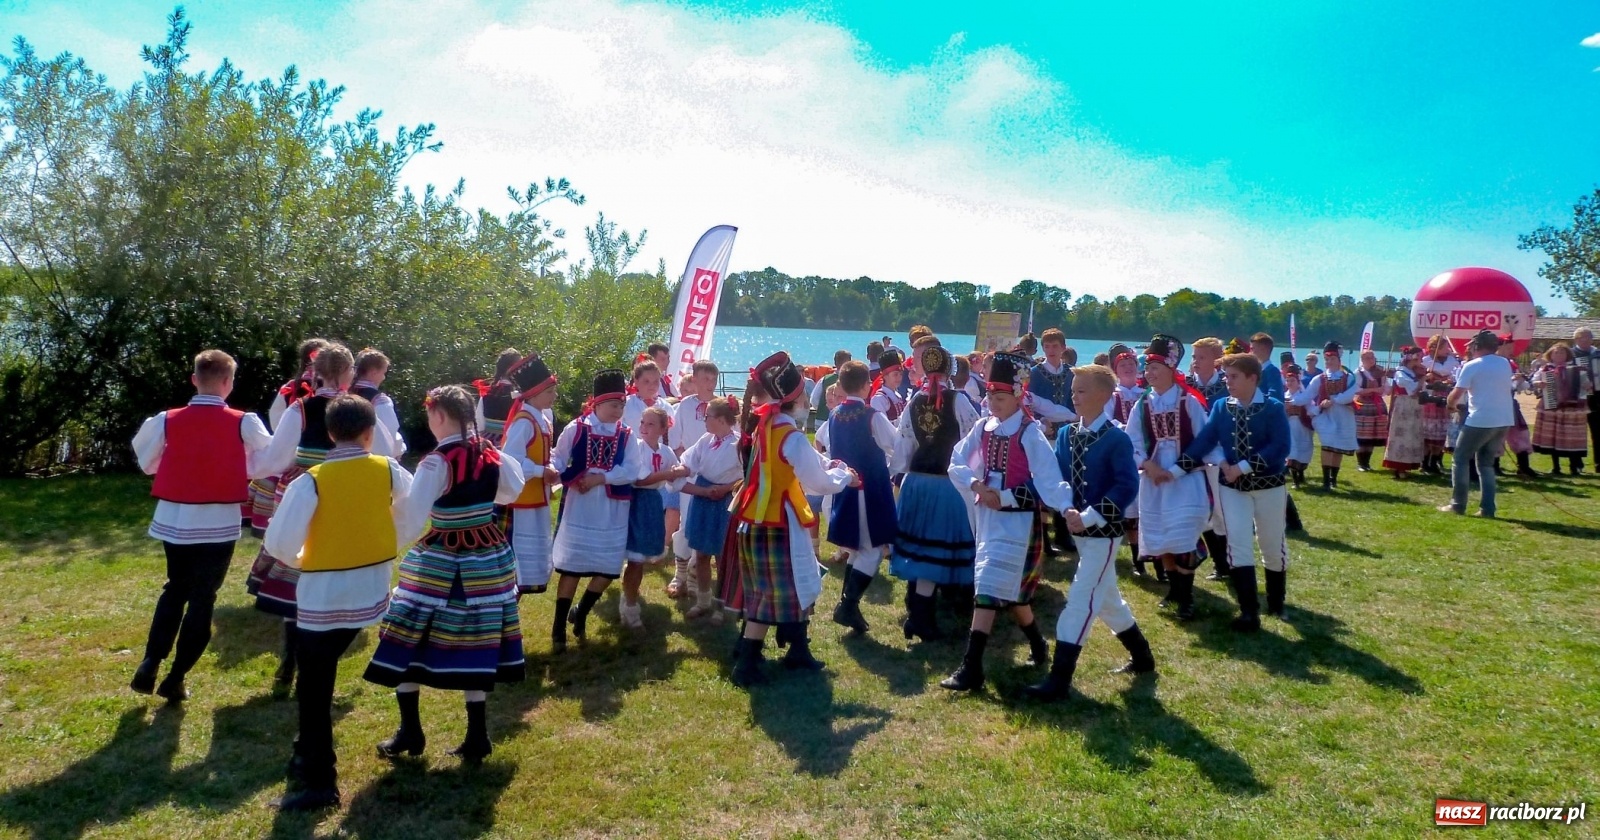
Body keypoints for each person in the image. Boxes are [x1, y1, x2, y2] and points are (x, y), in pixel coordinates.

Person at [364, 385, 526, 764]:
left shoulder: (437, 461)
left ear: (438, 416)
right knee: (480, 636)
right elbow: (510, 492)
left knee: (407, 629)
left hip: (443, 557)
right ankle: (476, 735)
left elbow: (413, 513)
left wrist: (381, 549)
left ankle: (411, 730)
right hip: (488, 553)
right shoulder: (493, 455)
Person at [265, 394, 412, 811]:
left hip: (323, 594)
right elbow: (417, 511)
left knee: (313, 688)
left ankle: (320, 782)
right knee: (318, 678)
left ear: (329, 434)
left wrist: (298, 559)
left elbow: (278, 542)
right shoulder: (388, 470)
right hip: (372, 588)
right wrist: (388, 545)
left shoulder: (312, 480)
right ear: (370, 434)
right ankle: (306, 756)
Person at [249, 342, 398, 694]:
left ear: (316, 373)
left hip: (302, 486)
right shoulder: (359, 408)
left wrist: (246, 468)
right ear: (349, 374)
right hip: (345, 490)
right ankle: (321, 644)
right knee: (338, 560)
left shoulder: (300, 407)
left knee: (297, 571)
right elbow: (387, 450)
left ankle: (290, 659)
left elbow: (276, 456)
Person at [130, 350, 272, 702]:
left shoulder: (166, 419)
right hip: (217, 520)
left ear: (194, 379)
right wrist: (235, 467)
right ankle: (176, 677)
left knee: (175, 588)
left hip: (174, 517)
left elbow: (147, 463)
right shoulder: (244, 421)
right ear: (228, 383)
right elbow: (266, 459)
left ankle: (150, 661)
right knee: (203, 597)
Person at [940, 352, 1078, 693]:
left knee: (988, 589)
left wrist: (1066, 508)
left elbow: (1047, 479)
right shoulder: (982, 427)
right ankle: (1037, 643)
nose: (993, 403)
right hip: (988, 519)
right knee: (1010, 594)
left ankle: (971, 668)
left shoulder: (1029, 433)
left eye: (1000, 398)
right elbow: (957, 459)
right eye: (990, 396)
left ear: (1018, 396)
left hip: (1017, 522)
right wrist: (975, 485)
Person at [729, 352, 858, 687]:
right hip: (777, 522)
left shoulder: (767, 426)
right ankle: (746, 663)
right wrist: (844, 478)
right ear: (798, 399)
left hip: (757, 517)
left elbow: (813, 462)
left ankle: (796, 649)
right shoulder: (790, 435)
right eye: (803, 398)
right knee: (775, 591)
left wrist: (835, 467)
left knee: (791, 583)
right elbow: (817, 481)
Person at [1022, 365, 1148, 700]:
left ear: (1104, 396)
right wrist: (1063, 508)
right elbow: (1058, 477)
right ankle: (1143, 656)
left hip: (1104, 533)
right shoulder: (1067, 435)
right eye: (1073, 391)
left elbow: (1126, 485)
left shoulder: (1116, 438)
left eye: (1081, 391)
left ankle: (1059, 679)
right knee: (1108, 601)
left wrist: (1090, 515)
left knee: (1080, 600)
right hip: (1078, 530)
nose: (1073, 397)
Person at [1174, 353, 1292, 631]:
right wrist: (1176, 470)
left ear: (1253, 378)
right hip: (1233, 489)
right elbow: (1205, 440)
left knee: (1271, 545)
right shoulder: (1221, 407)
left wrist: (1243, 466)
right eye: (1226, 376)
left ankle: (1276, 603)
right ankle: (1248, 611)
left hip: (1269, 487)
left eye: (1234, 376)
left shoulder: (1273, 408)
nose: (1228, 382)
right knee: (1238, 544)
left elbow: (1280, 447)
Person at [548, 369, 648, 651]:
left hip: (611, 507)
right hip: (581, 506)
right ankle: (558, 628)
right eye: (614, 405)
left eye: (622, 405)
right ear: (597, 404)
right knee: (572, 568)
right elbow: (558, 456)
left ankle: (581, 611)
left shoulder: (627, 436)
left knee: (607, 569)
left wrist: (601, 477)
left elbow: (632, 469)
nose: (619, 411)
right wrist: (555, 472)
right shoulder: (577, 428)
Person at [889, 342, 979, 642]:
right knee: (935, 549)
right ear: (949, 368)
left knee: (921, 548)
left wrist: (900, 475)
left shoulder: (915, 401)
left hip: (917, 482)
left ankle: (918, 608)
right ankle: (921, 617)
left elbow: (904, 445)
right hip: (945, 484)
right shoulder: (958, 400)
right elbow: (973, 439)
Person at [1125, 336, 1212, 621]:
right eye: (1147, 369)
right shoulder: (1142, 404)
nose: (1149, 374)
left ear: (1171, 370)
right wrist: (1147, 465)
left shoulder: (1189, 402)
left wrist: (1174, 470)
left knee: (1183, 533)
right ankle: (1175, 591)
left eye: (1156, 368)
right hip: (1153, 479)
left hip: (1185, 480)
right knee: (1162, 533)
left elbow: (1203, 440)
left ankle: (1186, 598)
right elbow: (1132, 441)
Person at [828, 360, 901, 635]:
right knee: (871, 549)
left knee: (857, 548)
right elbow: (895, 445)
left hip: (846, 487)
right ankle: (848, 604)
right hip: (868, 488)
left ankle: (848, 605)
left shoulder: (834, 414)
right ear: (865, 385)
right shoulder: (871, 415)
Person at [619, 406, 687, 629]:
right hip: (636, 502)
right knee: (635, 559)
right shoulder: (636, 448)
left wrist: (680, 471)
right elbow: (640, 480)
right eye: (642, 423)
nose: (644, 428)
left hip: (652, 503)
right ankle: (629, 607)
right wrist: (670, 473)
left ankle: (630, 599)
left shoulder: (665, 451)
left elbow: (674, 481)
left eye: (650, 424)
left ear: (662, 428)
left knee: (642, 558)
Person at [498, 353, 561, 594]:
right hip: (521, 502)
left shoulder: (541, 418)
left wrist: (551, 466)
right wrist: (539, 471)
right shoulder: (524, 422)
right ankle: (507, 607)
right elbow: (510, 460)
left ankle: (513, 604)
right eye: (549, 392)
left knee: (531, 557)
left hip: (536, 498)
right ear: (533, 394)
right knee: (518, 560)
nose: (554, 396)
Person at [251, 338, 327, 536]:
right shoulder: (329, 388)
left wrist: (287, 441)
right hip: (314, 453)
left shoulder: (294, 387)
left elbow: (277, 418)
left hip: (293, 451)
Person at [1439, 330, 1514, 517]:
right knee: (1486, 464)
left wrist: (1450, 405)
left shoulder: (1472, 366)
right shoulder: (1504, 363)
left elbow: (1456, 394)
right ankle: (1487, 508)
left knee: (1460, 459)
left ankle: (1457, 504)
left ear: (1477, 346)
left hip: (1481, 419)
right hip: (1503, 419)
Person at [680, 397, 742, 624]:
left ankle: (720, 604)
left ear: (721, 419)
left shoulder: (738, 445)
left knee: (721, 555)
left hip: (725, 500)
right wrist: (678, 470)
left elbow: (746, 476)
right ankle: (703, 601)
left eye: (708, 416)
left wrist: (725, 488)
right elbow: (689, 461)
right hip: (704, 495)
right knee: (702, 553)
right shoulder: (706, 440)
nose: (705, 420)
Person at [667, 359, 720, 599]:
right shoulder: (684, 407)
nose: (709, 384)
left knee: (709, 523)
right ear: (694, 380)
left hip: (717, 475)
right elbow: (675, 440)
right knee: (687, 522)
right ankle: (679, 576)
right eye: (705, 379)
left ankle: (695, 573)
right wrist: (685, 464)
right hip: (691, 474)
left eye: (713, 380)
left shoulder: (722, 406)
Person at [1531, 342, 1594, 475]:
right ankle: (1556, 467)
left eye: (1562, 352)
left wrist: (1588, 386)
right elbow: (1534, 381)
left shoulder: (1577, 369)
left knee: (1571, 436)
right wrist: (1538, 383)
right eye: (1556, 352)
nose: (1559, 355)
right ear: (1551, 355)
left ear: (1567, 355)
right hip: (1552, 404)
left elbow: (1586, 383)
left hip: (1572, 407)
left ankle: (1574, 467)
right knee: (1554, 435)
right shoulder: (1545, 369)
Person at [1307, 342, 1359, 490]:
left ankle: (1333, 478)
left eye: (1332, 359)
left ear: (1338, 360)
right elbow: (1308, 396)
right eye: (1327, 360)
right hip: (1327, 416)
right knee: (1327, 445)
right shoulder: (1320, 378)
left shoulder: (1349, 377)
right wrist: (1315, 408)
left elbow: (1350, 395)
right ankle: (1325, 480)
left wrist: (1334, 400)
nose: (1329, 362)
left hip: (1343, 415)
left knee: (1338, 447)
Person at [351, 347, 406, 456]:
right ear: (373, 372)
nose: (384, 377)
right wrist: (399, 450)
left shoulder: (344, 395)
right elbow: (390, 433)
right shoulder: (380, 401)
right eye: (383, 373)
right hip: (371, 458)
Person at [1497, 337, 1538, 478]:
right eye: (1508, 348)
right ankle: (1494, 465)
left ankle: (1524, 466)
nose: (1511, 351)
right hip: (1497, 404)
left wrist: (1520, 381)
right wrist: (1513, 381)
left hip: (1511, 404)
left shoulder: (1511, 364)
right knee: (1497, 435)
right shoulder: (1493, 364)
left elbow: (1519, 387)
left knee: (1520, 434)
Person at [1382, 348, 1426, 479]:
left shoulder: (1414, 372)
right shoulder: (1400, 372)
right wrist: (1422, 380)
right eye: (1417, 358)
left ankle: (1408, 464)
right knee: (1402, 435)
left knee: (1412, 434)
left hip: (1415, 405)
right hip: (1404, 405)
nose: (1420, 361)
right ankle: (1398, 466)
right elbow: (1411, 389)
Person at [1420, 335, 1459, 475]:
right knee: (1428, 432)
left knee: (1442, 431)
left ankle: (1435, 461)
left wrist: (1448, 381)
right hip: (1430, 397)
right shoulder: (1425, 361)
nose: (1447, 349)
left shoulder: (1453, 361)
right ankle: (1424, 463)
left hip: (1445, 396)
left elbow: (1456, 377)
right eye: (1444, 347)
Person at [475, 348, 523, 442]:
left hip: (489, 449)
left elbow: (479, 426)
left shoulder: (487, 394)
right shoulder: (524, 396)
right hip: (512, 444)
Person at [1353, 349, 1390, 472]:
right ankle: (1360, 463)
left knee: (1372, 435)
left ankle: (1367, 463)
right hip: (1363, 405)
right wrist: (1373, 390)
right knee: (1362, 434)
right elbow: (1356, 390)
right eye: (1368, 358)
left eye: (1372, 357)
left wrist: (1383, 388)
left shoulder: (1380, 373)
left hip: (1377, 405)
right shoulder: (1358, 373)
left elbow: (1387, 390)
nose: (1371, 360)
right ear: (1362, 360)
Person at [1283, 363, 1318, 485]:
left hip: (1303, 427)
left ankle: (1301, 474)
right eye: (1288, 381)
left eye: (1292, 380)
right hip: (1289, 427)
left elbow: (1312, 409)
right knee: (1292, 451)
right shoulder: (1284, 396)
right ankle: (1295, 480)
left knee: (1304, 450)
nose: (1290, 383)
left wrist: (1317, 410)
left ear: (1298, 382)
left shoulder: (1304, 397)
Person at [622, 358, 676, 435]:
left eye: (655, 381)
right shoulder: (626, 405)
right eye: (646, 381)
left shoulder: (666, 407)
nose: (652, 385)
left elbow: (672, 436)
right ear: (636, 381)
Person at [1573, 327, 1600, 470]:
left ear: (1592, 339)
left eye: (1587, 337)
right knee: (1576, 431)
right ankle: (1576, 463)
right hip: (1577, 397)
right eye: (1580, 337)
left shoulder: (1598, 354)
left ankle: (1598, 463)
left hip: (1596, 398)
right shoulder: (1570, 355)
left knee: (1597, 430)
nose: (1584, 340)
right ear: (1576, 339)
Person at [810, 349, 851, 427]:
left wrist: (822, 409)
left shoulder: (825, 379)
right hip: (841, 419)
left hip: (821, 420)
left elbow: (814, 400)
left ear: (835, 362)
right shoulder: (851, 380)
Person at [869, 347, 908, 425]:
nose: (899, 377)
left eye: (900, 374)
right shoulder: (879, 399)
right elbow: (881, 427)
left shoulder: (897, 395)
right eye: (895, 374)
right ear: (885, 376)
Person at [1251, 333, 1285, 400]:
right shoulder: (1255, 370)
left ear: (1263, 349)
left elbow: (1275, 396)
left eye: (1253, 349)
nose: (1250, 352)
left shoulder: (1272, 371)